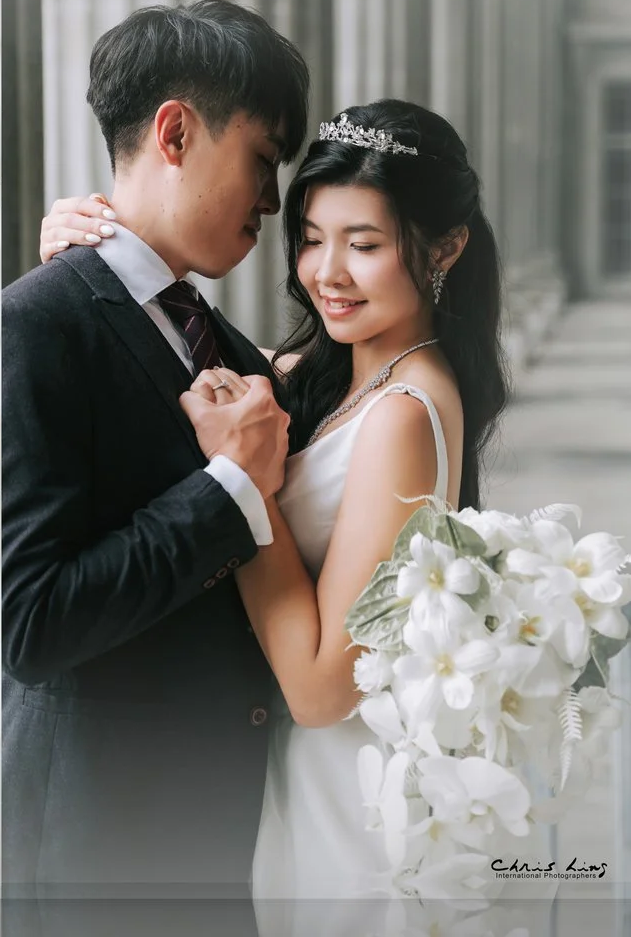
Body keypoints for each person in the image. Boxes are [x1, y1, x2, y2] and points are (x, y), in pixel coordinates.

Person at [35, 99, 510, 916]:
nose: (326, 272)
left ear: (447, 247)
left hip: (340, 791)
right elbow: (167, 340)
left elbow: (324, 690)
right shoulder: (330, 369)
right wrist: (80, 261)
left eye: (364, 245)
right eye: (313, 239)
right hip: (272, 778)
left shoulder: (406, 411)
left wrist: (241, 483)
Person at [0, 0, 308, 896]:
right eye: (262, 158)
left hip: (221, 838)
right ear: (175, 133)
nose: (274, 201)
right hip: (96, 851)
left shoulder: (241, 357)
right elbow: (30, 623)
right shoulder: (37, 322)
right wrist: (224, 491)